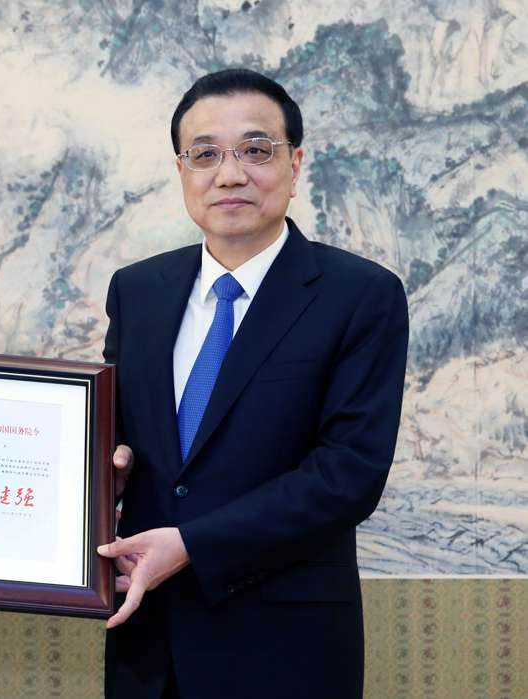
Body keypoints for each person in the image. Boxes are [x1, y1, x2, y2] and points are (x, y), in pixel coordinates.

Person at [96, 69, 409, 698]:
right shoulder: (138, 291)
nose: (229, 174)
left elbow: (348, 475)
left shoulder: (360, 295)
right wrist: (108, 462)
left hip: (285, 651)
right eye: (205, 153)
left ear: (295, 164)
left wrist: (192, 544)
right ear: (181, 170)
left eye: (255, 150)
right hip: (149, 647)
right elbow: (116, 437)